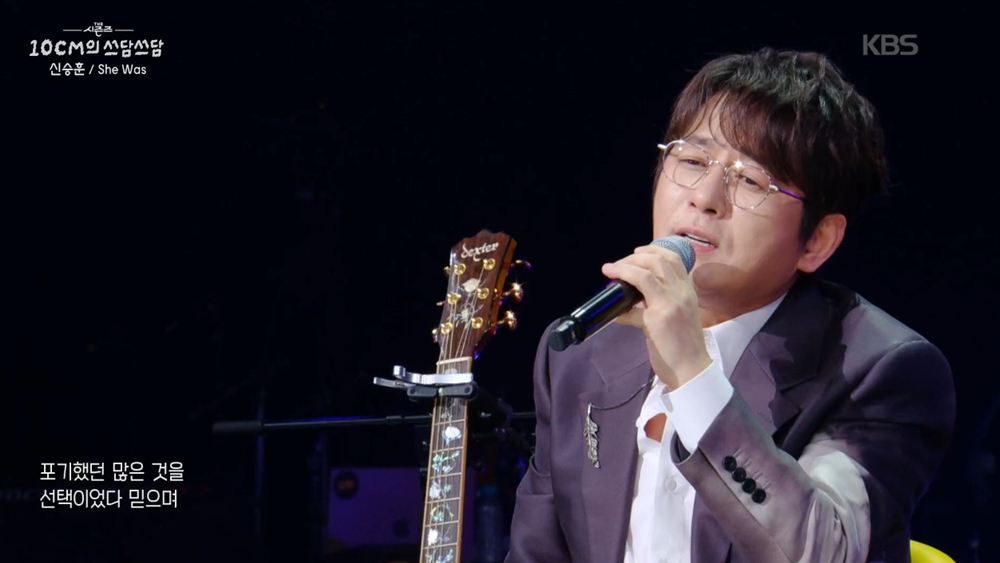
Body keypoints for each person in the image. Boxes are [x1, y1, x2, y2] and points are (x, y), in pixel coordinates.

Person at [505, 48, 956, 563]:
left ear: (817, 242)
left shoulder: (880, 371)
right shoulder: (582, 354)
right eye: (692, 160)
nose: (705, 197)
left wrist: (694, 376)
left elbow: (826, 552)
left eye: (750, 181)